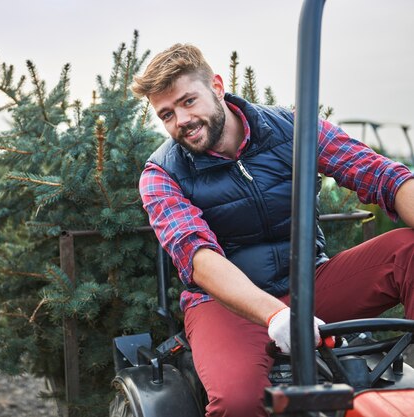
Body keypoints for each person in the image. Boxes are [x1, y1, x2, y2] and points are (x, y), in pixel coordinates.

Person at [133, 44, 414, 417]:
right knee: (237, 402)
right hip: (225, 305)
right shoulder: (161, 175)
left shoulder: (292, 130)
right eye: (166, 114)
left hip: (310, 283)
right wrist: (274, 315)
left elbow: (384, 177)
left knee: (407, 250)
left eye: (188, 101)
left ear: (217, 86)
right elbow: (198, 257)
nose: (181, 120)